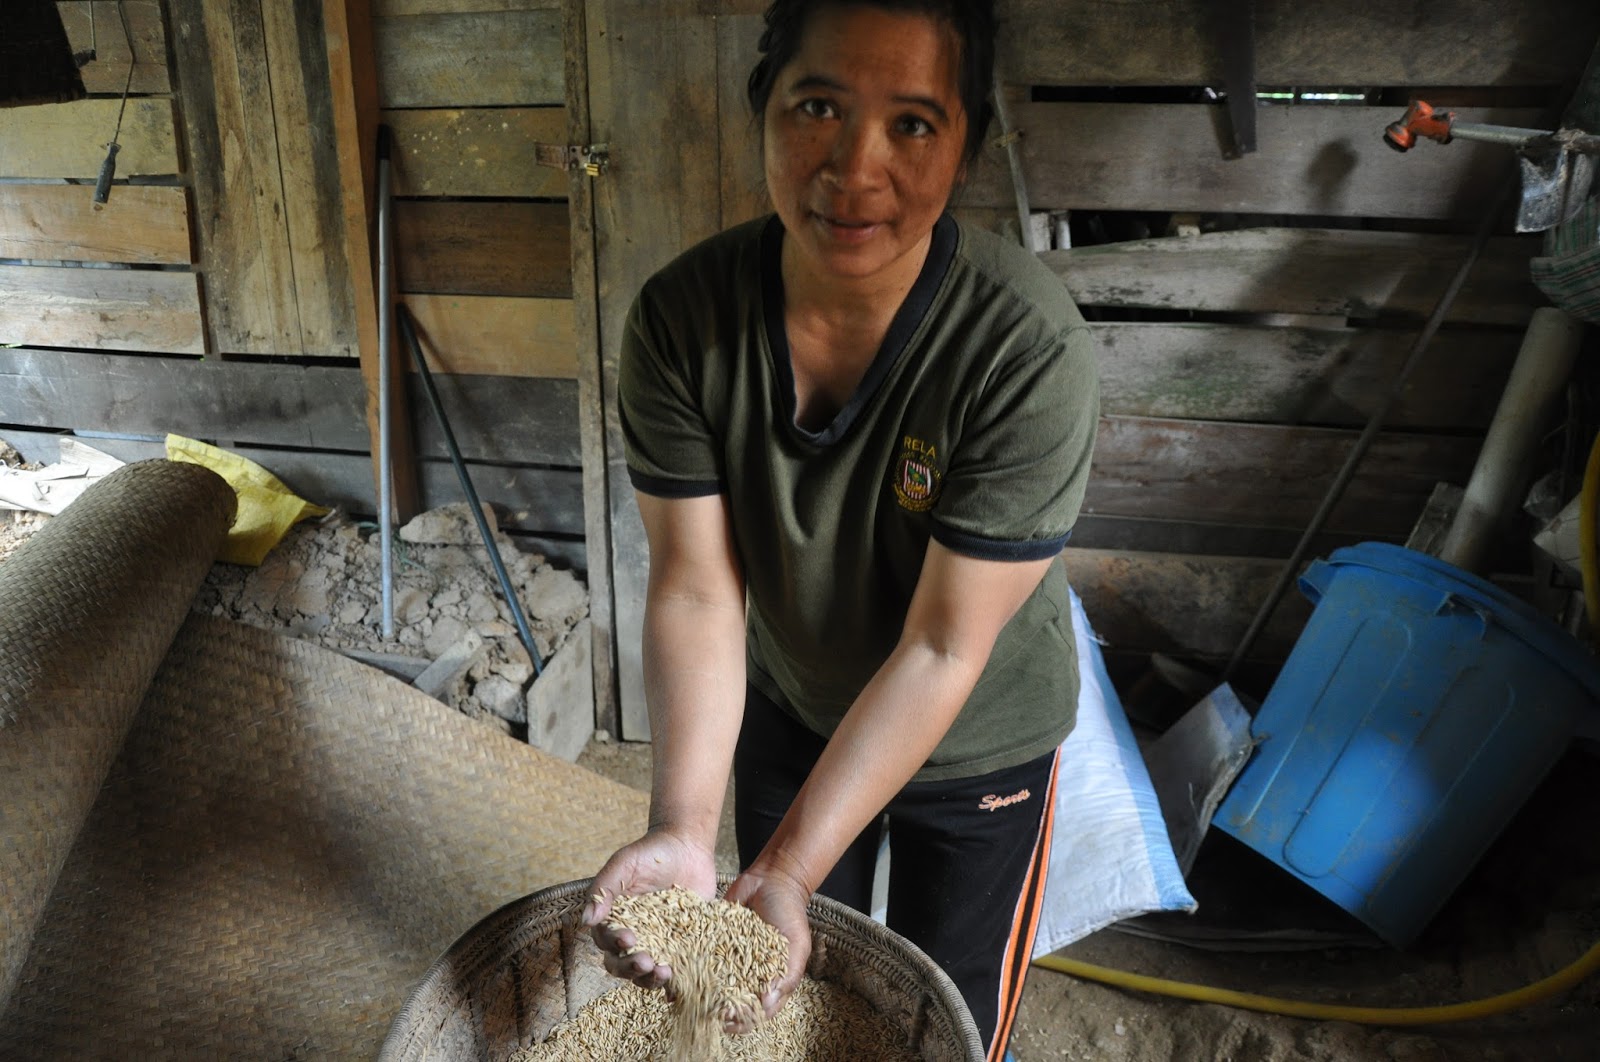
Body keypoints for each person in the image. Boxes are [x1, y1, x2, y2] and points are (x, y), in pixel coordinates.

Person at [580, 1, 1099, 1057]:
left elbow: (945, 645)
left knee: (939, 1019)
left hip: (975, 745)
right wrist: (684, 829)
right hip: (792, 704)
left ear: (967, 143)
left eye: (912, 122)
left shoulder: (1023, 350)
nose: (856, 170)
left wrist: (785, 867)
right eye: (817, 106)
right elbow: (694, 586)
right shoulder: (684, 321)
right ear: (763, 110)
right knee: (785, 1003)